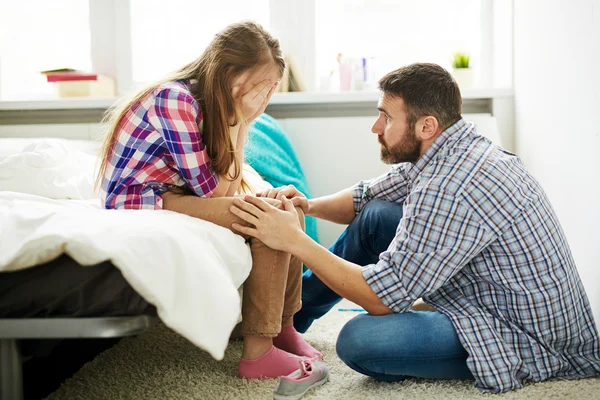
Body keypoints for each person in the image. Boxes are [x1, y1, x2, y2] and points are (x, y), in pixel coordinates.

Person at [229, 63, 600, 392]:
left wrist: (293, 240)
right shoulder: (451, 148)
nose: (376, 127)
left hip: (524, 335)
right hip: (494, 293)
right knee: (375, 214)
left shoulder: (449, 186)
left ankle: (296, 321)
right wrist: (306, 205)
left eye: (386, 117)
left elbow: (380, 298)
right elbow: (365, 197)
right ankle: (286, 322)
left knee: (359, 341)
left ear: (426, 125)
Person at [97, 21, 322, 379]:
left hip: (175, 194)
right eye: (261, 87)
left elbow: (224, 188)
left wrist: (242, 124)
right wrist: (238, 119)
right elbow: (214, 191)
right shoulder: (175, 99)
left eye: (270, 89)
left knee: (287, 209)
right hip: (143, 200)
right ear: (231, 74)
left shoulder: (204, 105)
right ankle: (258, 353)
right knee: (269, 220)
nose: (264, 99)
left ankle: (283, 329)